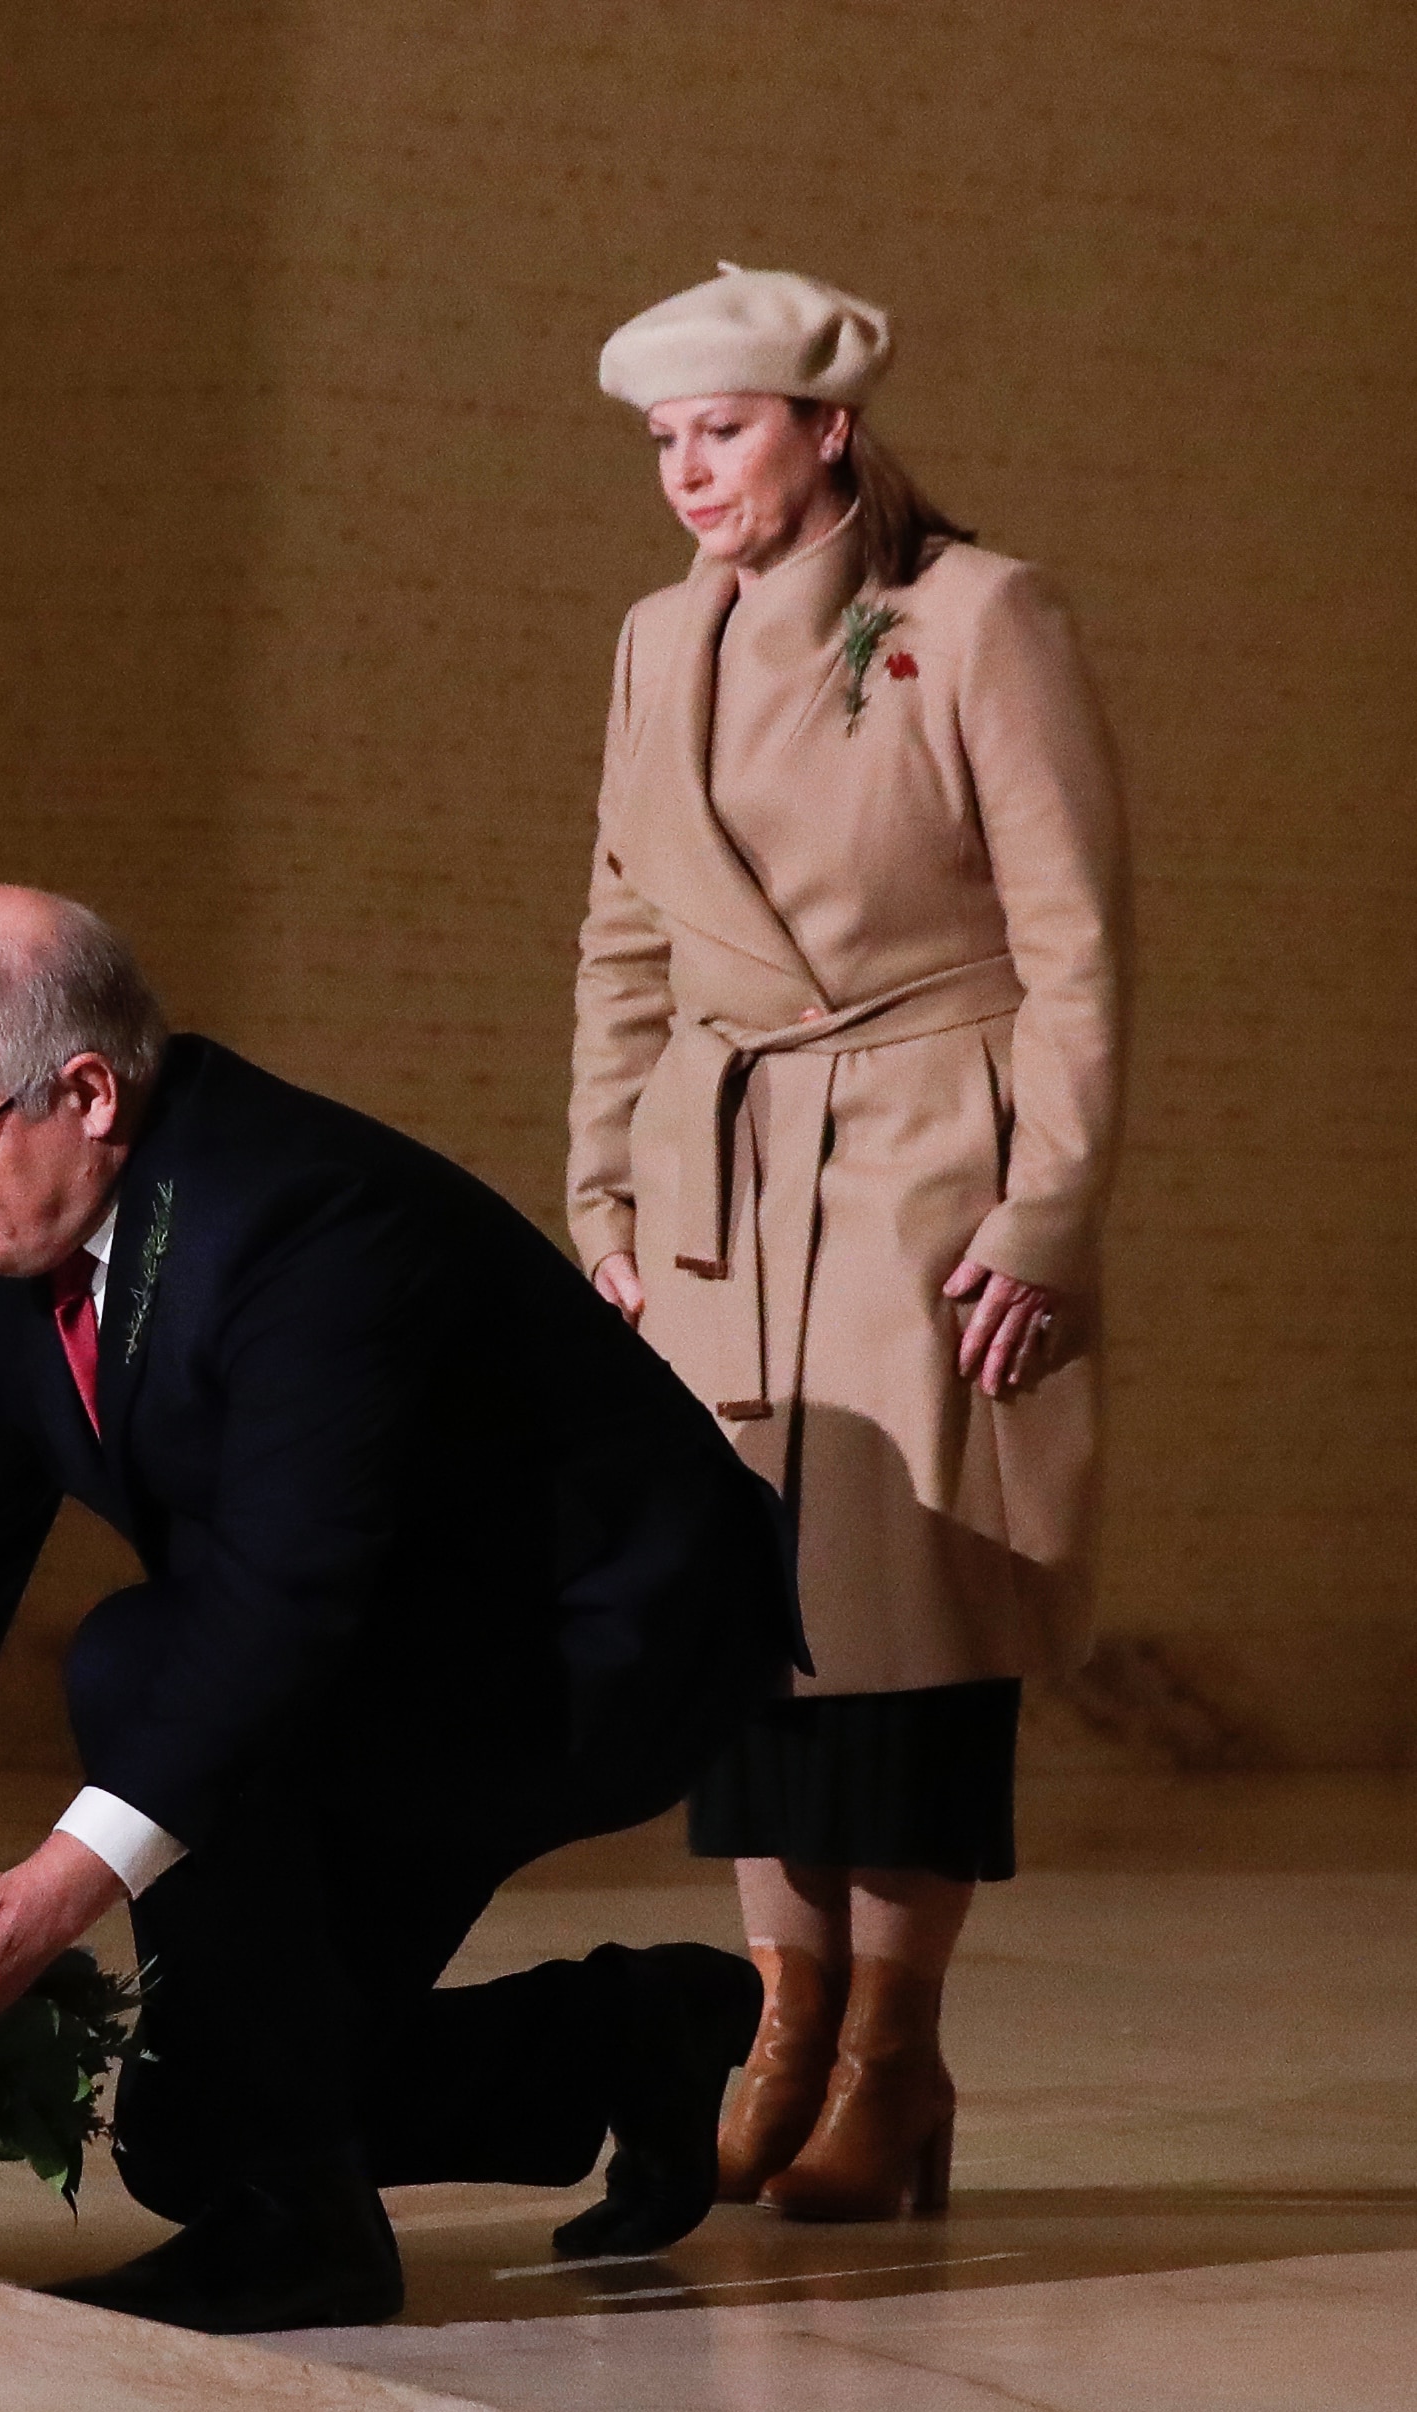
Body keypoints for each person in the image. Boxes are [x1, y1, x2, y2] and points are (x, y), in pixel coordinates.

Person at [0, 888, 801, 2334]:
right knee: (197, 2121)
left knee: (144, 1669)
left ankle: (305, 2239)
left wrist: (45, 1899)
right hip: (386, 1638)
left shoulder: (298, 1215)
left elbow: (276, 1610)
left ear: (85, 1092)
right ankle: (617, 2037)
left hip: (592, 1642)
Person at [573, 267, 1128, 2224]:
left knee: (905, 1622)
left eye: (718, 429)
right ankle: (781, 2025)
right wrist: (600, 1194)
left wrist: (1045, 1204)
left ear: (824, 429)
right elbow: (625, 937)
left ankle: (890, 2050)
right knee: (744, 1620)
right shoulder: (660, 642)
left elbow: (1069, 943)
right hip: (717, 1181)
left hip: (925, 1163)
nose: (685, 473)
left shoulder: (978, 617)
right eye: (661, 441)